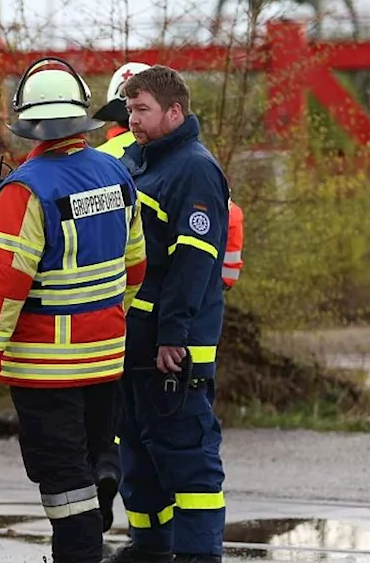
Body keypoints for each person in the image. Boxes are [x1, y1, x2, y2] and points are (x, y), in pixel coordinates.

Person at [0, 57, 147, 563]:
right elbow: (135, 266)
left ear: (30, 123)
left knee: (64, 479)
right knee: (88, 464)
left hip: (45, 371)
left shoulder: (25, 190)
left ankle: (80, 556)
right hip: (106, 359)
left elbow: (3, 285)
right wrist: (108, 319)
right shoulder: (116, 173)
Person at [90, 60, 245, 534]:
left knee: (185, 455)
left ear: (175, 113)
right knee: (138, 451)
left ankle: (198, 551)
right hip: (140, 340)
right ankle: (150, 546)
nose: (131, 119)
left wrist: (172, 335)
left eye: (141, 109)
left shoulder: (193, 169)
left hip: (175, 348)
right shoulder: (143, 161)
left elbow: (192, 266)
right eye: (129, 110)